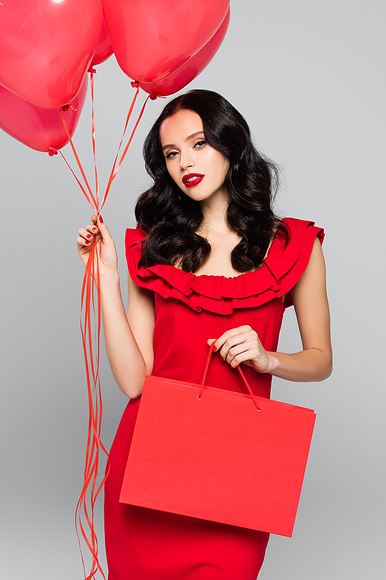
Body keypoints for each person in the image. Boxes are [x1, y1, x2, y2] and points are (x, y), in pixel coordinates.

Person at [77, 89, 332, 580]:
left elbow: (321, 359)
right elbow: (134, 382)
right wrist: (107, 278)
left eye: (198, 144)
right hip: (148, 463)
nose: (184, 163)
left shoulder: (294, 245)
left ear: (231, 146)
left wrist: (269, 359)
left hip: (236, 472)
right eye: (171, 153)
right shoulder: (152, 249)